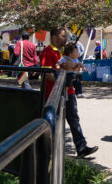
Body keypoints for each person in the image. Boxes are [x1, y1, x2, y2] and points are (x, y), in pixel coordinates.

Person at [40, 27, 97, 158]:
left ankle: (81, 147)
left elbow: (73, 69)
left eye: (66, 36)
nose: (65, 39)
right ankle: (49, 153)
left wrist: (74, 72)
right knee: (54, 122)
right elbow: (47, 74)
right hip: (54, 94)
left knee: (74, 119)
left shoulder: (67, 51)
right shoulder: (47, 52)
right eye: (62, 36)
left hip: (69, 92)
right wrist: (63, 81)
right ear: (54, 37)